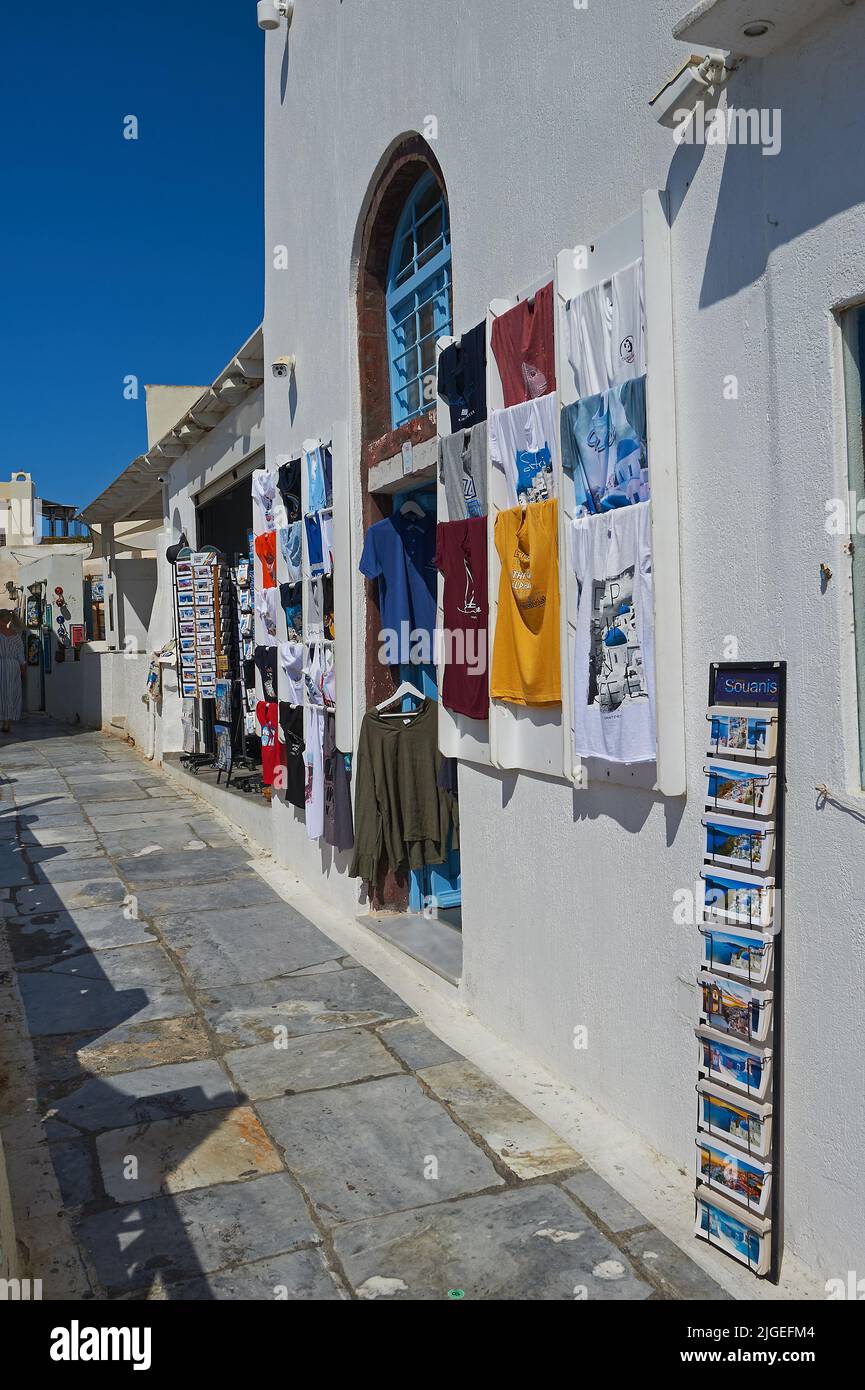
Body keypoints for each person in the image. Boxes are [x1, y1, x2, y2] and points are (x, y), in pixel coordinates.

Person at [0, 610, 26, 734]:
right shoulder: (16, 636)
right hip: (13, 666)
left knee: (2, 693)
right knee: (10, 693)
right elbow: (21, 656)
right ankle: (7, 722)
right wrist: (23, 670)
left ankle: (4, 721)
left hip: (2, 665)